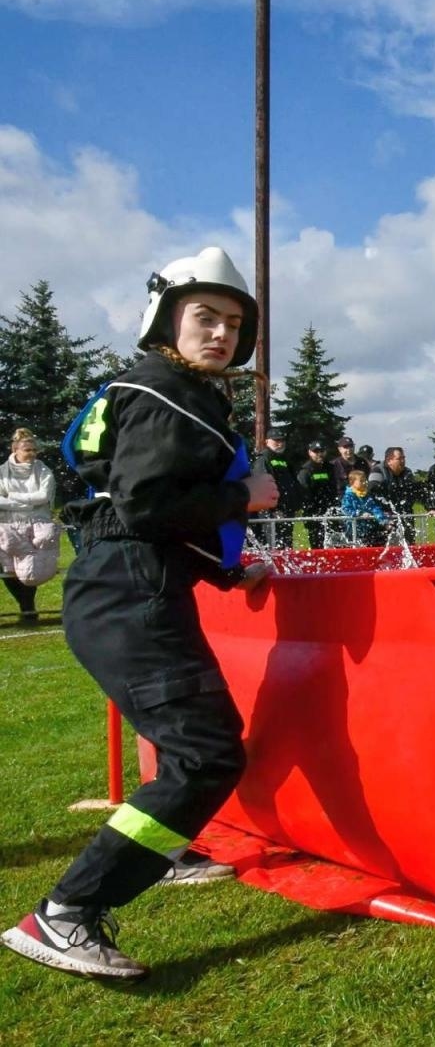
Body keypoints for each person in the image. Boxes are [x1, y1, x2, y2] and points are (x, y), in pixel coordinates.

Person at [2, 246, 278, 980]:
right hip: (131, 593)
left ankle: (164, 851)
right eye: (204, 318)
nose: (220, 333)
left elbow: (139, 511)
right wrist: (243, 498)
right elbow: (146, 504)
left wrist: (230, 569)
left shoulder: (160, 386)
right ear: (166, 319)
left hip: (126, 585)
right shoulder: (166, 390)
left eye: (232, 323)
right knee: (206, 754)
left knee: (186, 745)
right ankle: (65, 913)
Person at [0, 428, 60, 621]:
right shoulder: (2, 473)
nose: (32, 454)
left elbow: (43, 496)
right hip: (9, 525)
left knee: (30, 568)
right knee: (9, 570)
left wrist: (14, 497)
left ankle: (28, 608)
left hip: (37, 525)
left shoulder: (43, 471)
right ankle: (26, 608)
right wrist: (29, 502)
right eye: (27, 450)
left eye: (34, 450)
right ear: (15, 449)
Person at [250, 427, 300, 549]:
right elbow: (263, 488)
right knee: (274, 546)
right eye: (276, 440)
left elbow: (293, 483)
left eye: (282, 440)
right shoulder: (263, 459)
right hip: (271, 513)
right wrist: (273, 509)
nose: (280, 443)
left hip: (287, 511)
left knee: (287, 547)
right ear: (267, 442)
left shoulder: (285, 460)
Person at [369, 447, 426, 543]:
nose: (403, 461)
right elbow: (372, 492)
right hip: (384, 516)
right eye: (399, 458)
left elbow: (414, 492)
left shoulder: (407, 472)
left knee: (409, 545)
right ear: (389, 460)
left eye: (404, 458)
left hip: (405, 515)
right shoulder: (377, 470)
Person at [296, 440, 338, 550]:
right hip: (313, 513)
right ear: (310, 452)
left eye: (322, 451)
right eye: (316, 451)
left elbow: (334, 488)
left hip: (329, 511)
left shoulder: (330, 468)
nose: (319, 454)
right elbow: (303, 493)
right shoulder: (305, 470)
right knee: (317, 544)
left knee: (333, 544)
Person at [340, 468, 388, 547]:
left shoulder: (366, 495)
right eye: (361, 481)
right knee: (354, 546)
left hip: (366, 528)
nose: (365, 483)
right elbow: (345, 509)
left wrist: (381, 518)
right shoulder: (348, 496)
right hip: (352, 529)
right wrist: (360, 513)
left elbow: (373, 507)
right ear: (352, 483)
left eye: (365, 480)